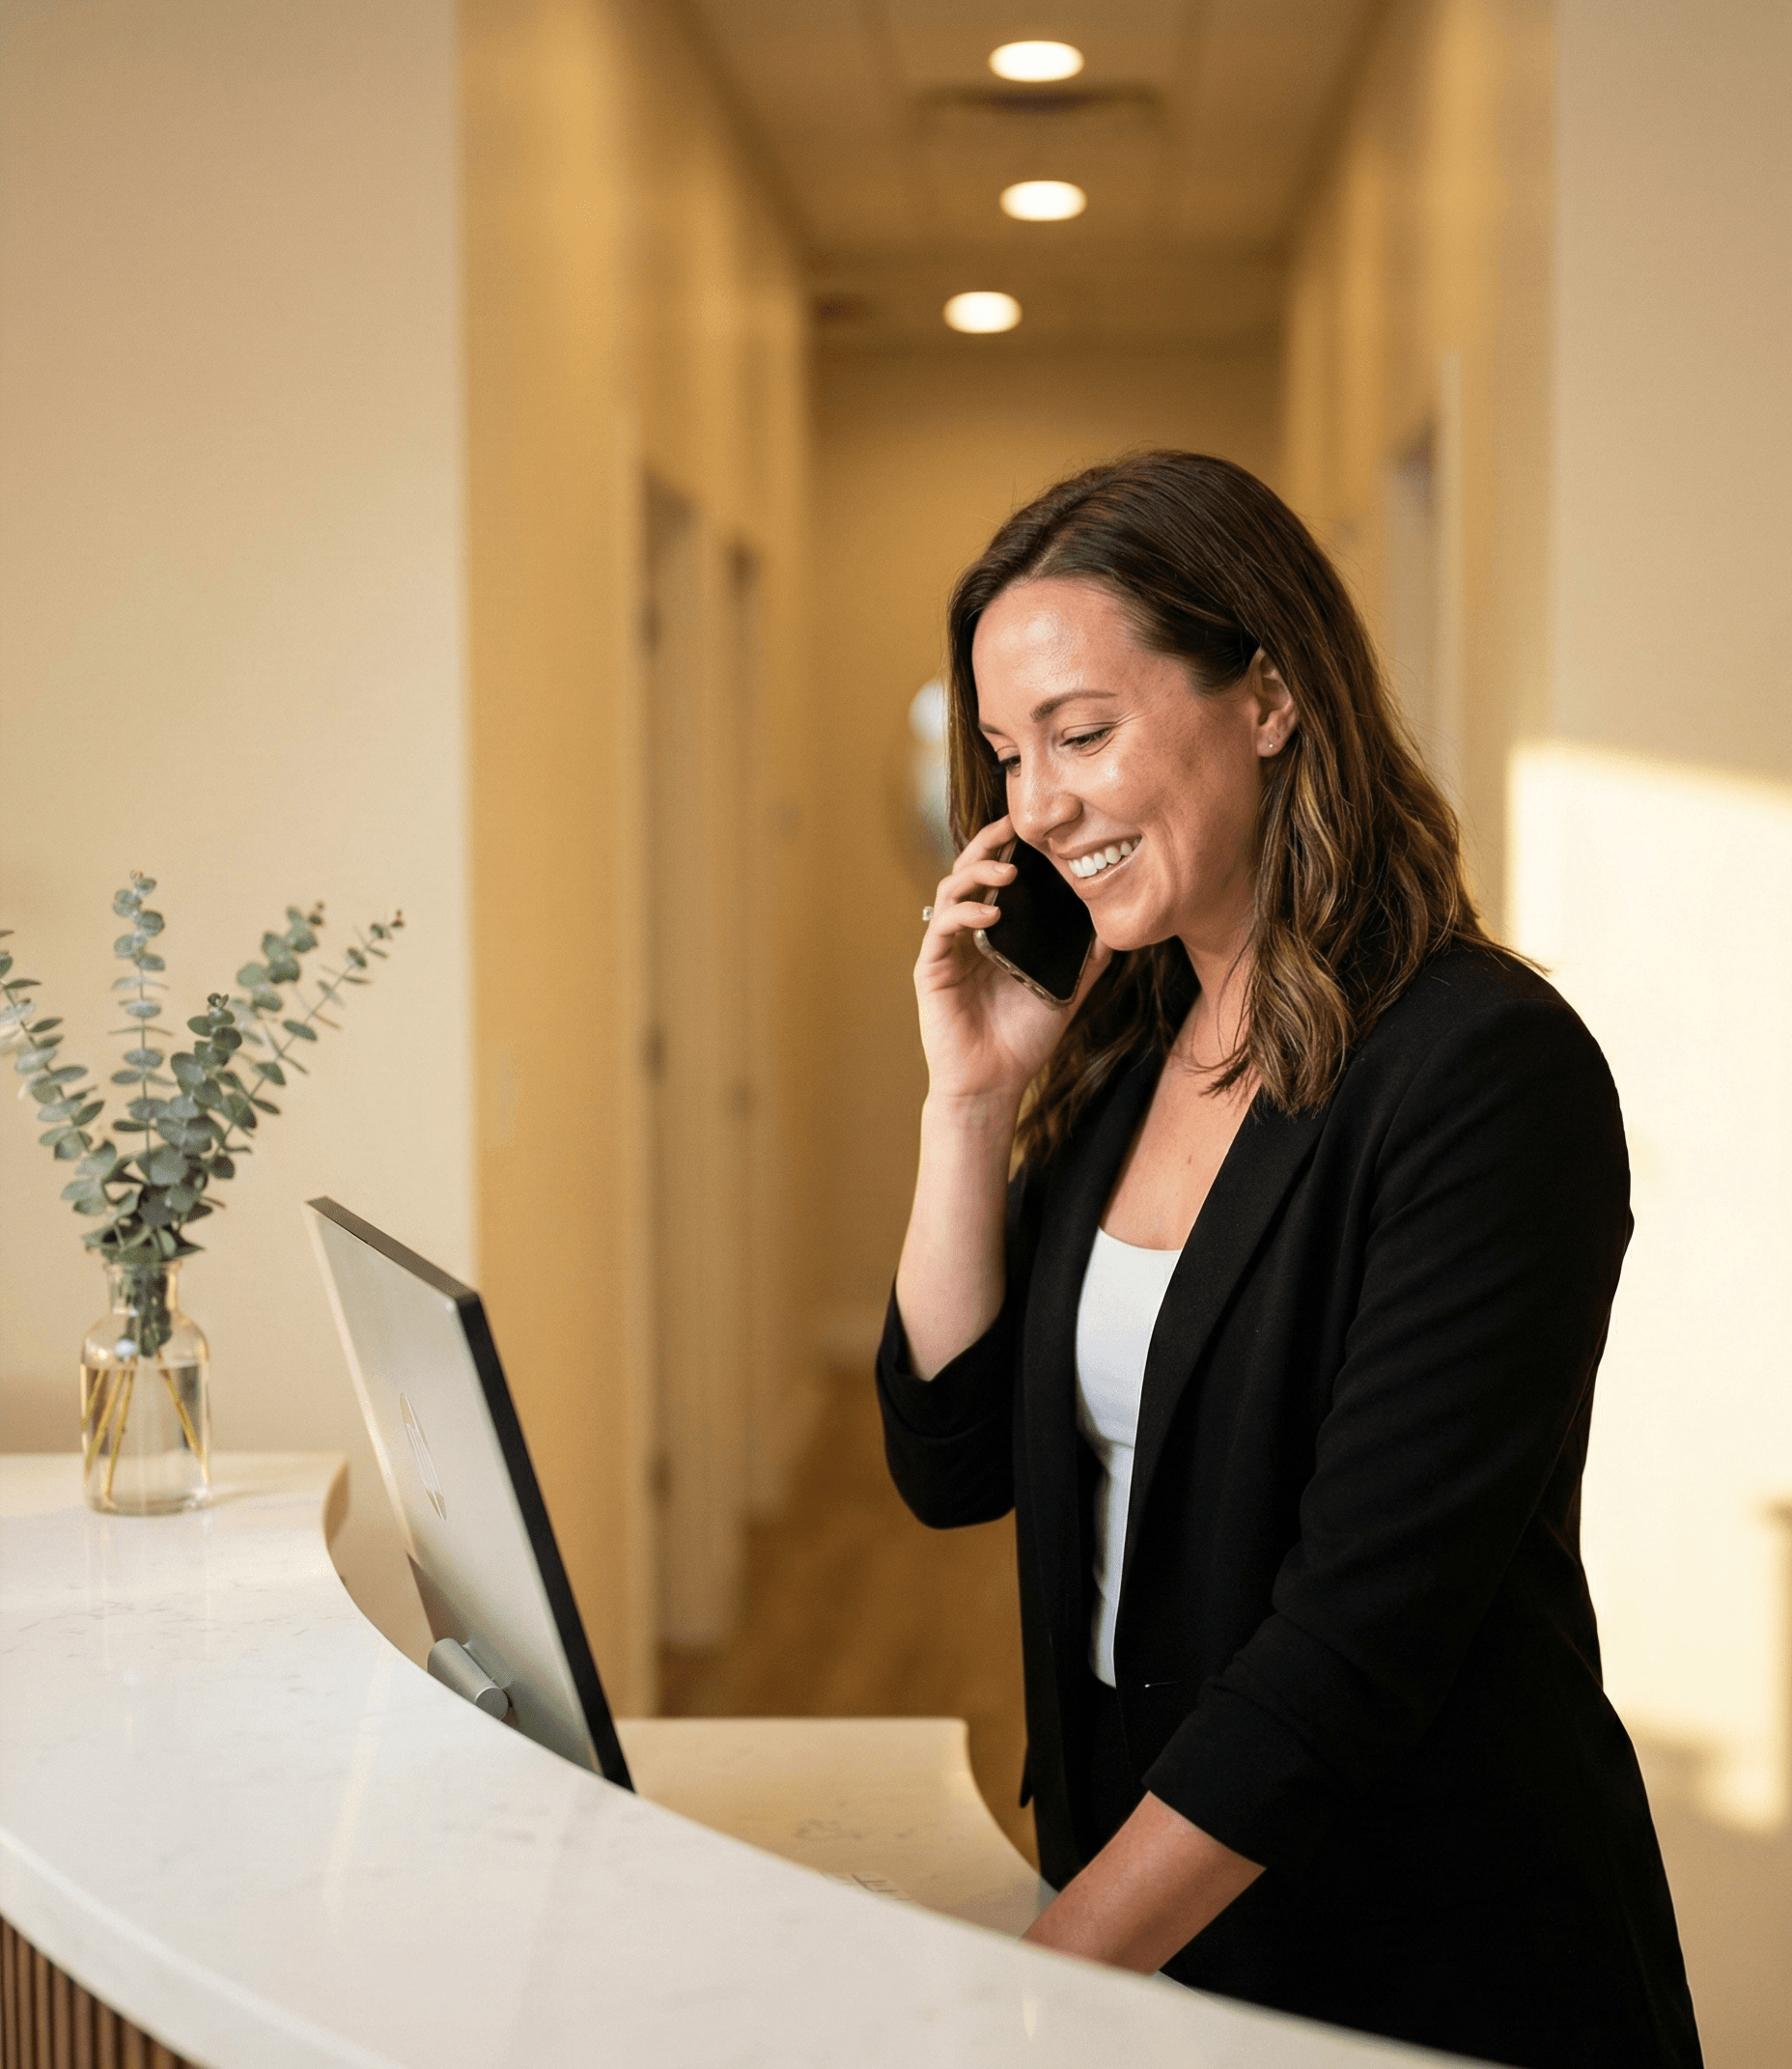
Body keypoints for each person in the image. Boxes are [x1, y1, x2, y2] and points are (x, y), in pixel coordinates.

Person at [877, 452, 1702, 2068]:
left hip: (1415, 1962)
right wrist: (970, 1102)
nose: (1033, 807)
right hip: (1161, 1915)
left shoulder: (1482, 1073)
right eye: (1002, 752)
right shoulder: (1129, 1056)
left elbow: (1357, 1639)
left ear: (1267, 693)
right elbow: (951, 1457)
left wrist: (1045, 1979)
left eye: (1084, 734)